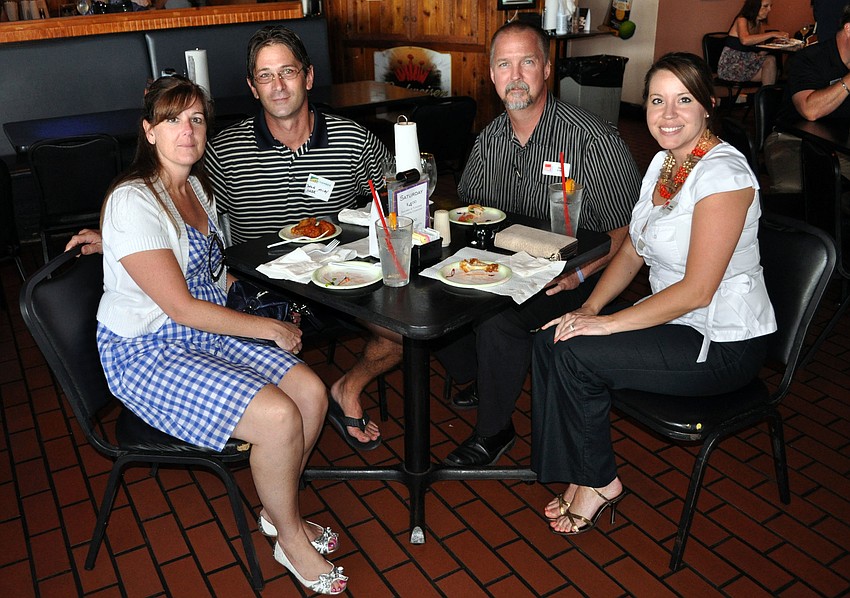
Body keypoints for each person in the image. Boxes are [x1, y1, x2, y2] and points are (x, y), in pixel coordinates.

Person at [69, 25, 394, 452]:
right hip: (261, 288)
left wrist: (398, 207)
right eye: (265, 75)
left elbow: (398, 191)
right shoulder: (219, 151)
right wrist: (112, 238)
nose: (278, 86)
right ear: (252, 87)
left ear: (308, 77)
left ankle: (347, 388)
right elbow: (165, 212)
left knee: (402, 332)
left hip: (342, 280)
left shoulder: (354, 139)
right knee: (281, 386)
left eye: (288, 72)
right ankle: (272, 423)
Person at [95, 76, 348, 593]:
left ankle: (279, 514)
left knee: (311, 392)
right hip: (146, 350)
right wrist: (267, 327)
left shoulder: (195, 189)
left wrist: (265, 296)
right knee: (278, 417)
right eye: (171, 120)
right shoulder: (133, 201)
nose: (185, 131)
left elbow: (210, 274)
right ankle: (291, 541)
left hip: (199, 331)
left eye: (195, 119)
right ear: (149, 132)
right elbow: (180, 305)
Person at [533, 53, 776, 535]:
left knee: (577, 354)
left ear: (708, 104)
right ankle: (584, 474)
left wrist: (606, 324)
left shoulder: (722, 175)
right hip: (678, 324)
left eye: (683, 100)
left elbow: (698, 290)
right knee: (551, 338)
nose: (668, 114)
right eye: (657, 100)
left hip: (722, 341)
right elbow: (633, 251)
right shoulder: (666, 163)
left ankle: (600, 482)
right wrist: (589, 306)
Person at [435, 21, 641, 467]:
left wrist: (579, 273)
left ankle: (495, 431)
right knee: (428, 294)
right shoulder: (488, 141)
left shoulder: (592, 138)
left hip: (578, 272)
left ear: (546, 69)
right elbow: (471, 212)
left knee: (497, 321)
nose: (516, 75)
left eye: (527, 62)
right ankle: (479, 375)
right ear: (491, 75)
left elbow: (628, 231)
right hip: (501, 268)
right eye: (504, 64)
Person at [717, 0, 788, 85]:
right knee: (771, 68)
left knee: (772, 64)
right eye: (765, 6)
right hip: (733, 65)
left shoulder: (759, 23)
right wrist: (772, 34)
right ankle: (765, 95)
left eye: (770, 6)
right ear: (754, 7)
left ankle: (765, 95)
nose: (769, 9)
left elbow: (760, 53)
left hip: (749, 63)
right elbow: (745, 40)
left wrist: (775, 44)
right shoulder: (742, 19)